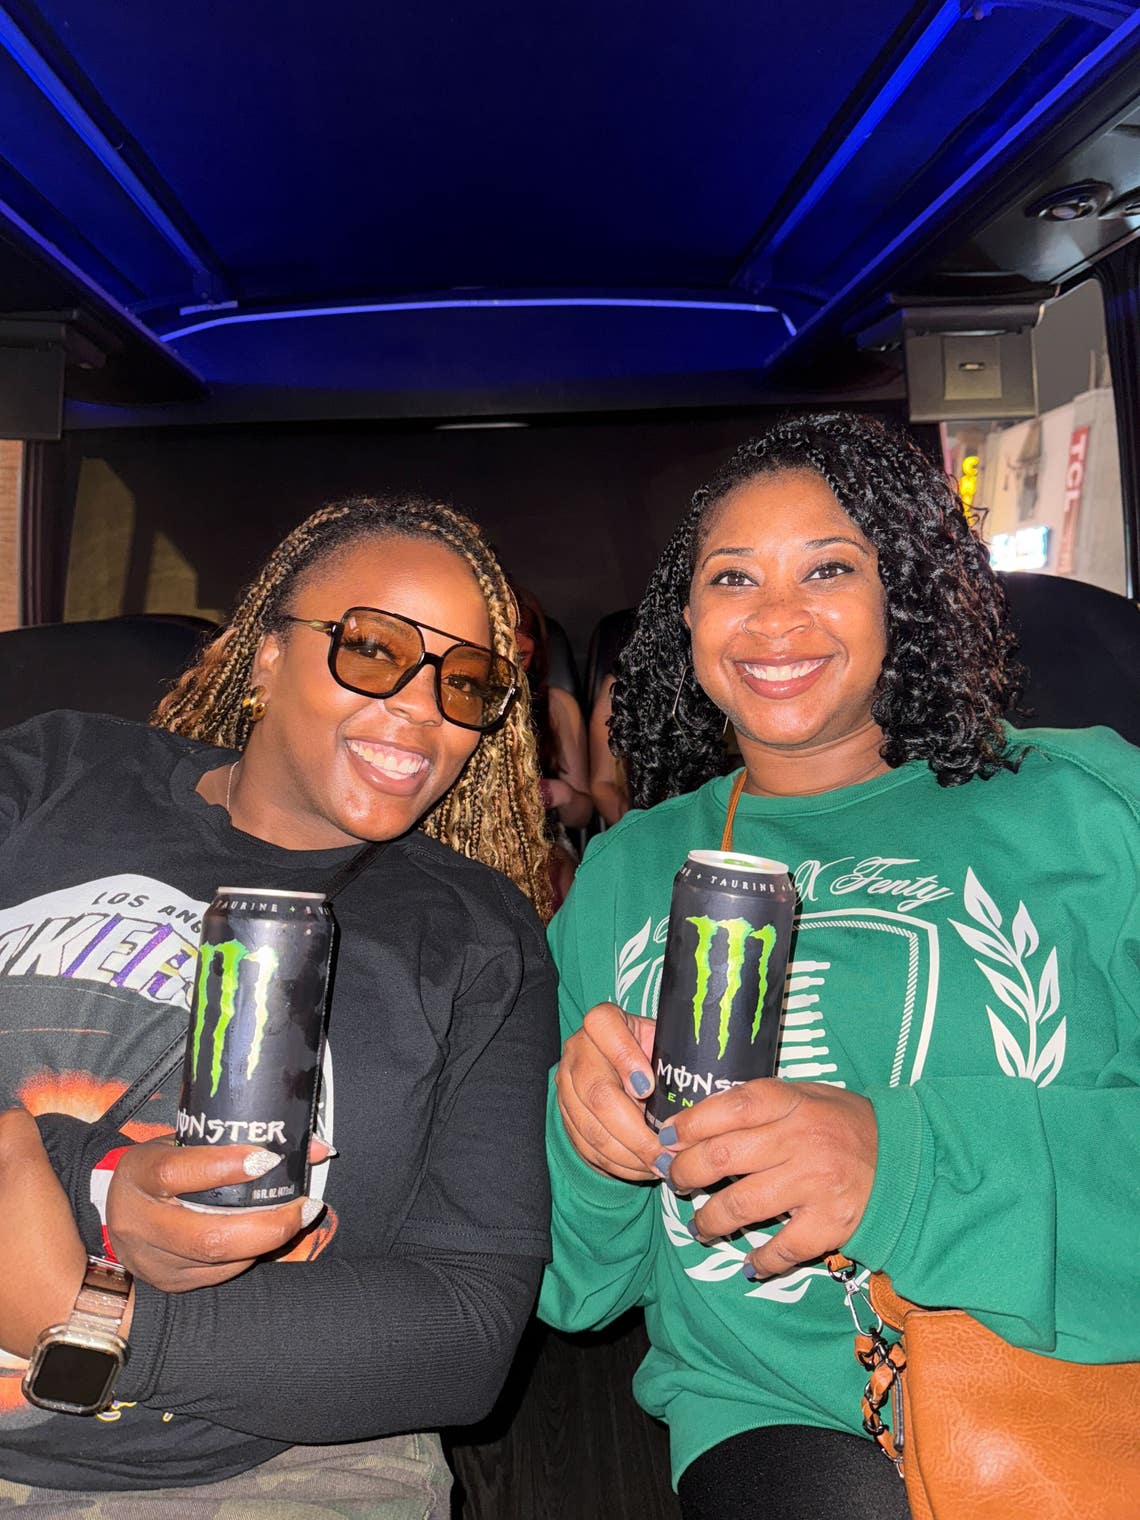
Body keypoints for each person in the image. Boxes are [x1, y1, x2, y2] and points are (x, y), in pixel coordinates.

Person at [537, 413, 1140, 1520]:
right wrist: (589, 1147)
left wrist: (901, 1164)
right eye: (732, 576)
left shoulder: (1091, 806)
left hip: (1081, 1368)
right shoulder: (625, 874)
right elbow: (576, 1288)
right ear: (687, 617)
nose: (775, 616)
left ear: (902, 592)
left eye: (828, 568)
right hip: (778, 1408)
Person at [0, 495, 559, 1516]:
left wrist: (99, 1320)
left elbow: (467, 1328)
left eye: (466, 682)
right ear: (264, 656)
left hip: (259, 1469)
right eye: (375, 649)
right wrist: (95, 1184)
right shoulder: (58, 773)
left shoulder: (477, 934)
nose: (423, 707)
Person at [512, 584, 592, 905]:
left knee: (549, 879)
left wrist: (560, 793)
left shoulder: (557, 708)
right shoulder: (459, 703)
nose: (508, 667)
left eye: (519, 656)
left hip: (546, 841)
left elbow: (581, 816)